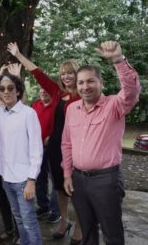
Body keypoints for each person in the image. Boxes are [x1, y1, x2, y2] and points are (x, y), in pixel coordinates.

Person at [62, 41, 141, 245]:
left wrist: (118, 60)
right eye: (81, 82)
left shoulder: (114, 105)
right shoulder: (72, 109)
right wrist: (67, 174)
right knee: (87, 231)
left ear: (101, 82)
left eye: (90, 81)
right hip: (78, 180)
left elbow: (131, 91)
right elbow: (67, 143)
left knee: (112, 234)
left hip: (106, 181)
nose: (85, 86)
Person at [7, 42, 82, 243]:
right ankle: (64, 221)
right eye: (63, 73)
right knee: (59, 188)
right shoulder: (58, 93)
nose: (66, 77)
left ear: (77, 75)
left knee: (75, 189)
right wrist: (18, 54)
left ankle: (80, 226)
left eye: (70, 73)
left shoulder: (84, 96)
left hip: (77, 148)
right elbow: (36, 72)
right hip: (56, 148)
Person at [0, 74, 43, 245]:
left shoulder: (28, 114)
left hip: (23, 179)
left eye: (10, 88)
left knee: (29, 221)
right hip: (6, 177)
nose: (6, 91)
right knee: (18, 218)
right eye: (2, 88)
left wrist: (31, 179)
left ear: (18, 91)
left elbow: (36, 148)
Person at [31, 88, 61, 223]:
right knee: (39, 176)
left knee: (55, 178)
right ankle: (43, 206)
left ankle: (56, 211)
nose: (43, 91)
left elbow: (62, 124)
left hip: (53, 147)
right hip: (37, 147)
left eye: (46, 89)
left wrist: (52, 135)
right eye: (41, 89)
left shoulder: (57, 104)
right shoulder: (36, 104)